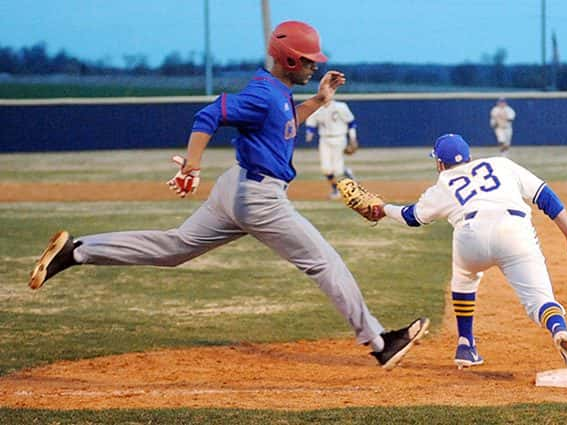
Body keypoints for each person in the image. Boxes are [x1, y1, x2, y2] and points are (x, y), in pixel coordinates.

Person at [27, 20, 428, 370]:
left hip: (237, 188)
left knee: (174, 248)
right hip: (258, 199)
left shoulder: (274, 93)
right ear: (289, 61)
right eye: (308, 60)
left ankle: (76, 251)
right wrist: (193, 165)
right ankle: (379, 344)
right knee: (325, 262)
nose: (315, 65)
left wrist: (319, 102)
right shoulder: (264, 95)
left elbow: (285, 122)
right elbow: (209, 115)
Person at [369, 134, 567, 370]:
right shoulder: (501, 164)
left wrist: (383, 209)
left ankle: (466, 345)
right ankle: (559, 329)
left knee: (464, 279)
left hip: (470, 235)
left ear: (440, 164)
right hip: (514, 231)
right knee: (540, 299)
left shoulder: (443, 183)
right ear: (470, 157)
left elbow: (411, 217)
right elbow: (544, 196)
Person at [305, 99, 358, 199]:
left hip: (339, 137)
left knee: (338, 170)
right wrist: (309, 134)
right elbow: (311, 124)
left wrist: (353, 139)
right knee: (326, 169)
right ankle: (335, 189)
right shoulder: (316, 109)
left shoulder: (341, 106)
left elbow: (351, 123)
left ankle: (346, 174)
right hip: (324, 139)